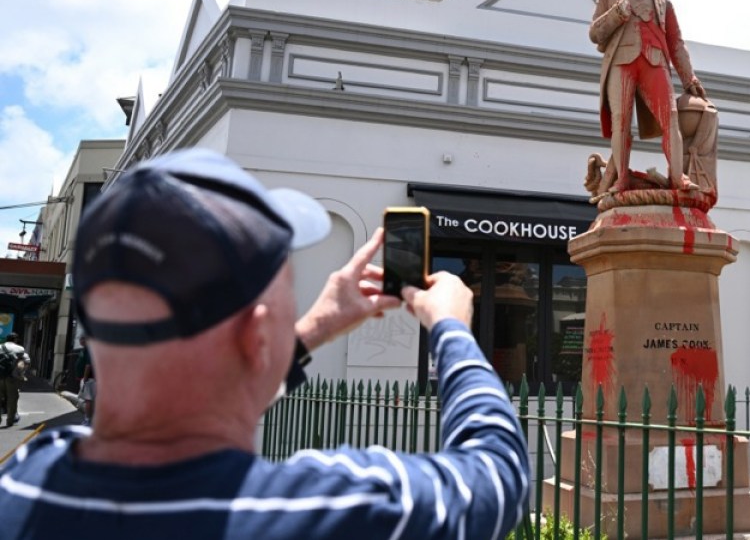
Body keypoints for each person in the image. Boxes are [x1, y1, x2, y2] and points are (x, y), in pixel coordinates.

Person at [0, 149, 529, 539]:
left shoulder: (26, 480)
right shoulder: (332, 510)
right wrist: (452, 330)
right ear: (256, 337)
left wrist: (318, 323)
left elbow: (204, 388)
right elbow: (499, 475)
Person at [589, 0, 707, 194]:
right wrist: (618, 14)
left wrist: (689, 78)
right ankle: (621, 179)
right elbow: (595, 34)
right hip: (622, 62)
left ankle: (678, 177)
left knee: (671, 120)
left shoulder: (664, 2)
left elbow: (676, 43)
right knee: (621, 122)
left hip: (655, 60)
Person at [1, 333, 31, 427]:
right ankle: (10, 421)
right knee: (12, 399)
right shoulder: (20, 349)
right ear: (15, 340)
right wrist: (20, 374)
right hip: (12, 377)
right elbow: (27, 361)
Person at [74, 335, 95, 425]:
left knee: (88, 400)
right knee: (89, 400)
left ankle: (88, 419)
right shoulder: (86, 349)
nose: (80, 340)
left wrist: (85, 378)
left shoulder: (89, 350)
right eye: (80, 339)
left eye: (83, 339)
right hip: (89, 379)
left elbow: (88, 365)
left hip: (89, 379)